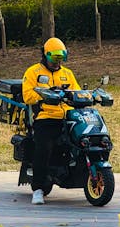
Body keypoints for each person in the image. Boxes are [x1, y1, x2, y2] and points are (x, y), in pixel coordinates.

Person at [22, 36, 80, 205]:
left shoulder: (67, 74)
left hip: (68, 117)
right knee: (44, 148)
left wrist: (80, 97)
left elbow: (76, 92)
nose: (57, 63)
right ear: (45, 55)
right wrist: (46, 95)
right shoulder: (33, 72)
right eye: (54, 59)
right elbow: (27, 95)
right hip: (46, 117)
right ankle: (38, 189)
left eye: (60, 59)